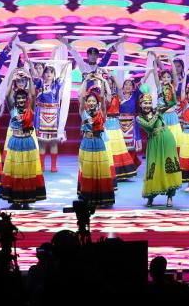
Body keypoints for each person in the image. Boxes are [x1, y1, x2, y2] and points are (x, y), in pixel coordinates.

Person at [136, 88, 183, 207]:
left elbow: (172, 103)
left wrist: (170, 91)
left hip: (166, 139)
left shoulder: (158, 110)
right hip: (154, 142)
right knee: (154, 168)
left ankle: (170, 197)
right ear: (140, 104)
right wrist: (157, 112)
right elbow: (149, 125)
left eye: (149, 103)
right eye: (145, 103)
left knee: (169, 166)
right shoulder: (139, 118)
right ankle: (150, 197)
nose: (147, 105)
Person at [1, 87, 46, 209]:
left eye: (23, 98)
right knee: (15, 171)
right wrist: (12, 81)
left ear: (26, 99)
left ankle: (26, 200)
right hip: (15, 142)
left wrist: (29, 79)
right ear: (15, 100)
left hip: (27, 142)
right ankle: (15, 201)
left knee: (27, 171)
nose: (21, 100)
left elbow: (33, 95)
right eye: (18, 98)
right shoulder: (13, 110)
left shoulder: (30, 109)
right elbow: (7, 96)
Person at [77, 80, 115, 208]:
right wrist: (86, 80)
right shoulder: (83, 113)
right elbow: (81, 97)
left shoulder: (101, 113)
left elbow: (103, 100)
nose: (91, 103)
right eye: (89, 101)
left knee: (99, 169)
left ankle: (100, 197)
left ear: (97, 103)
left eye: (94, 101)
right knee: (87, 170)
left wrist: (103, 81)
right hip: (86, 144)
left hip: (98, 143)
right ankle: (88, 197)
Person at [103, 72, 139, 182]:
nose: (109, 85)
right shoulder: (101, 96)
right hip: (106, 124)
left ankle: (119, 173)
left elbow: (119, 88)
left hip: (115, 123)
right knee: (108, 148)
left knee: (117, 148)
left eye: (111, 83)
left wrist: (113, 77)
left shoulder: (118, 96)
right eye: (107, 83)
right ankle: (107, 171)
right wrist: (104, 81)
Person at [34, 62, 68, 174]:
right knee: (42, 142)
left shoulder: (57, 84)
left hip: (54, 116)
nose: (49, 74)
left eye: (51, 72)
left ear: (54, 75)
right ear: (43, 74)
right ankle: (42, 166)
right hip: (41, 115)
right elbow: (34, 74)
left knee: (53, 142)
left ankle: (53, 166)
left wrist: (66, 65)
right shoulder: (40, 83)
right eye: (47, 72)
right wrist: (29, 63)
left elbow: (62, 75)